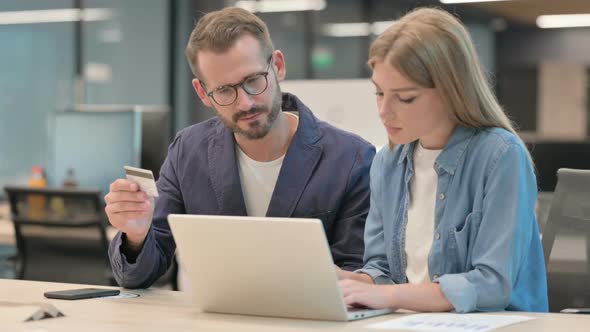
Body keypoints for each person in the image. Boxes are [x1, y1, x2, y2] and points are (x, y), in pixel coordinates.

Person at [105, 7, 375, 288]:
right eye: (224, 90)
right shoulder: (188, 151)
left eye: (253, 80)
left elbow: (357, 280)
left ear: (278, 66)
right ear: (202, 93)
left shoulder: (351, 159)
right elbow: (137, 277)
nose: (245, 103)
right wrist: (137, 236)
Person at [336, 8, 548, 313]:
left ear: (451, 90)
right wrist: (347, 281)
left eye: (405, 97)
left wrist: (392, 296)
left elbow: (491, 285)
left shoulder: (501, 156)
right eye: (379, 93)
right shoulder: (388, 162)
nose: (384, 111)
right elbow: (382, 270)